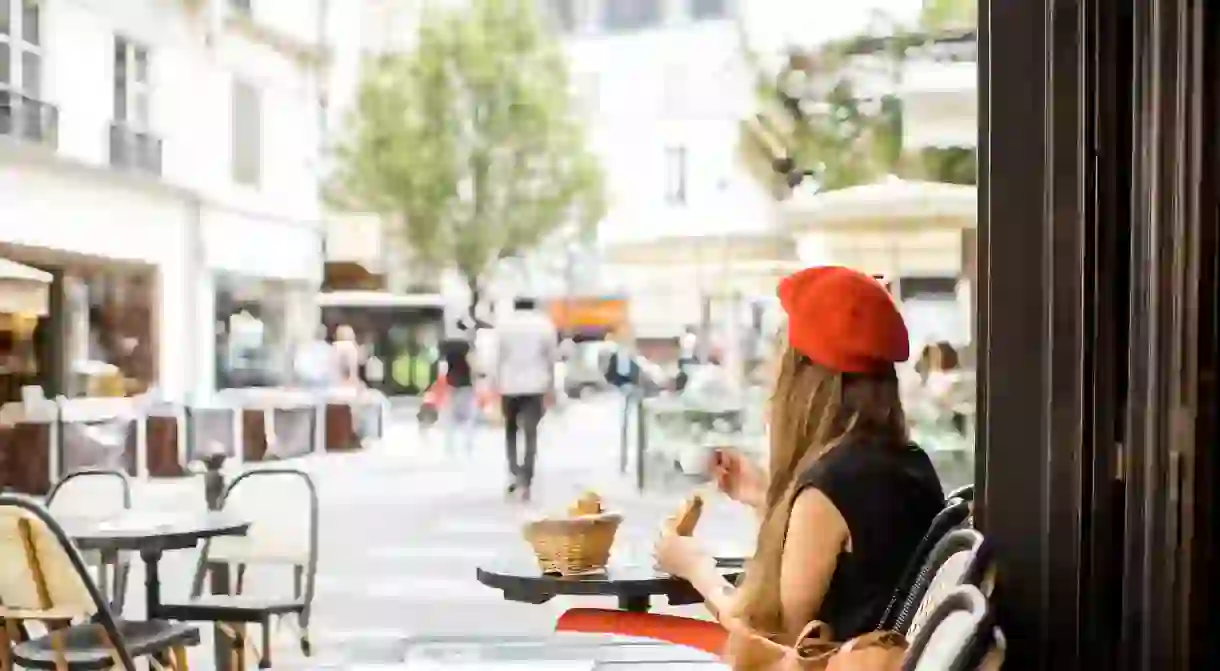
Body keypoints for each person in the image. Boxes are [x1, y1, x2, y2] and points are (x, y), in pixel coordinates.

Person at [653, 266, 945, 644]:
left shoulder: (831, 487)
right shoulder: (907, 462)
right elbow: (851, 578)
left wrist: (694, 567)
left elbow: (772, 641)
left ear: (805, 382)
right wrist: (766, 499)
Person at [494, 296, 558, 502]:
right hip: (535, 386)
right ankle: (526, 479)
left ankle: (514, 471)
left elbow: (497, 357)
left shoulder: (505, 326)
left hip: (509, 386)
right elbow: (551, 358)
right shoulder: (544, 325)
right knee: (531, 433)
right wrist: (552, 386)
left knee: (511, 431)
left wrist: (495, 383)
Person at [438, 325, 478, 455]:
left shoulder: (446, 346)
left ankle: (449, 444)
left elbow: (443, 366)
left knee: (450, 415)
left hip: (452, 383)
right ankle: (468, 443)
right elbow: (473, 363)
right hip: (466, 384)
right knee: (468, 416)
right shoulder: (467, 345)